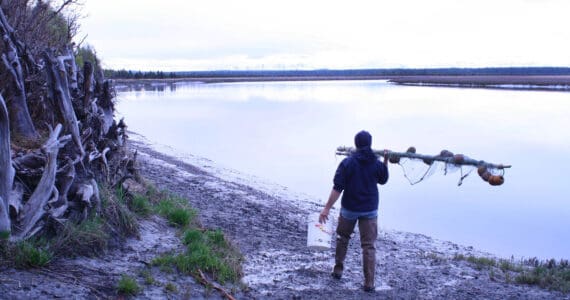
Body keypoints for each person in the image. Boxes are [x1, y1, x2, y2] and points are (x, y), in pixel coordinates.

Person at [319, 130, 389, 293]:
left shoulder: (347, 163)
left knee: (343, 238)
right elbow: (383, 179)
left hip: (349, 208)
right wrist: (385, 161)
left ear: (356, 144)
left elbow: (338, 187)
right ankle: (369, 283)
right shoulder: (376, 163)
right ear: (370, 144)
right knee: (369, 246)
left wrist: (327, 208)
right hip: (370, 210)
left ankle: (338, 270)